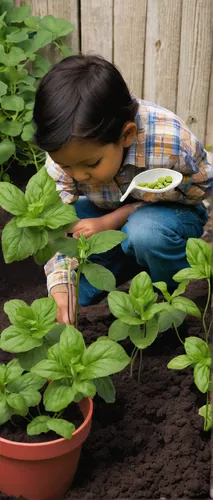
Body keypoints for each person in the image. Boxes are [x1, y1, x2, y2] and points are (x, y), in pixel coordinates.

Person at [33, 54, 213, 325]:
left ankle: (169, 296)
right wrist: (61, 286)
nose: (79, 175)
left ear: (126, 135)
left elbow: (200, 189)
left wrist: (118, 217)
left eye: (91, 163)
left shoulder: (172, 144)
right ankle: (130, 262)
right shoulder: (65, 153)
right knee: (78, 289)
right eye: (66, 166)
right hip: (103, 210)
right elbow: (57, 228)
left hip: (169, 215)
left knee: (145, 233)